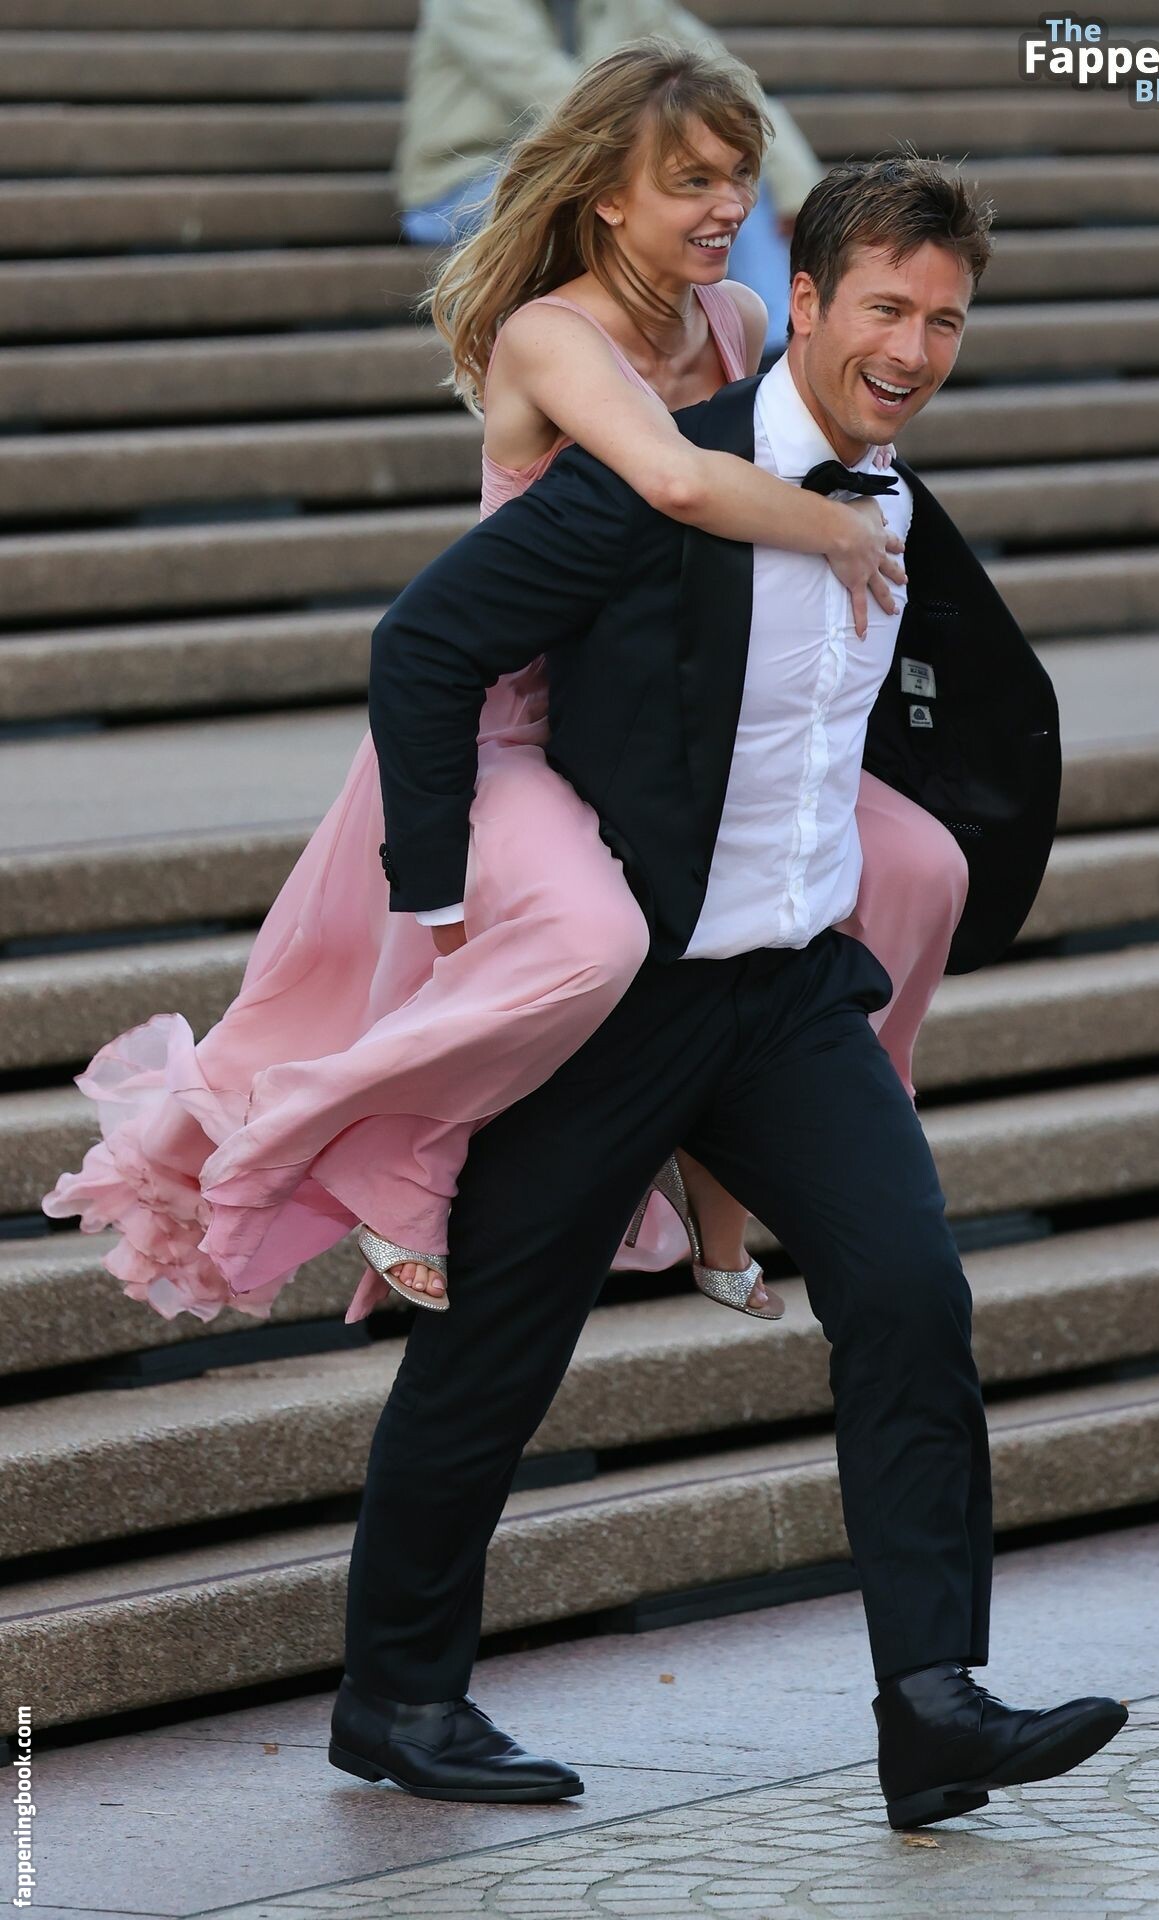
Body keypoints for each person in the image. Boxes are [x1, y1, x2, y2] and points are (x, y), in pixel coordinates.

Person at [328, 153, 1129, 1831]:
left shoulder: (894, 502)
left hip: (790, 999)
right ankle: (399, 1698)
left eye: (946, 322)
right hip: (628, 1000)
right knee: (497, 1347)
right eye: (886, 309)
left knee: (910, 1296)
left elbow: (956, 707)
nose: (912, 350)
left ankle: (933, 1706)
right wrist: (439, 895)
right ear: (806, 301)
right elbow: (425, 645)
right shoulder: (655, 479)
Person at [42, 44, 961, 1336]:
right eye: (691, 180)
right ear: (608, 195)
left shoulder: (736, 322)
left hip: (661, 714)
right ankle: (373, 1149)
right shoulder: (549, 335)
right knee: (595, 940)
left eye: (739, 178)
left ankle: (789, 1148)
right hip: (503, 727)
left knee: (918, 867)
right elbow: (678, 482)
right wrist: (843, 531)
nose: (726, 207)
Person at [395, 0, 821, 353]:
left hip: (614, 154)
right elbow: (560, 97)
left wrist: (798, 185)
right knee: (684, 182)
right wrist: (672, 143)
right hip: (469, 175)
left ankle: (778, 353)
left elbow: (722, 81)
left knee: (727, 179)